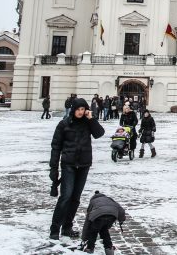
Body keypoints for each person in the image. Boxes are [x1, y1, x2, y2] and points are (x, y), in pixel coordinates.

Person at [49, 98, 105, 241]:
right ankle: (55, 228)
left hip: (84, 165)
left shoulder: (88, 123)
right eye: (78, 109)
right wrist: (53, 168)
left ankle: (67, 227)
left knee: (75, 199)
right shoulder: (64, 124)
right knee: (66, 197)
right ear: (73, 110)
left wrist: (91, 119)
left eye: (83, 109)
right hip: (69, 165)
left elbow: (99, 133)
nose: (80, 112)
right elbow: (56, 147)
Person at [79, 190, 125, 255]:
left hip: (98, 218)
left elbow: (87, 221)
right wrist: (121, 220)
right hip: (111, 216)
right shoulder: (109, 199)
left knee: (93, 232)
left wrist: (84, 238)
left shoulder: (92, 202)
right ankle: (109, 249)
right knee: (104, 231)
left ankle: (89, 249)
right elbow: (121, 210)